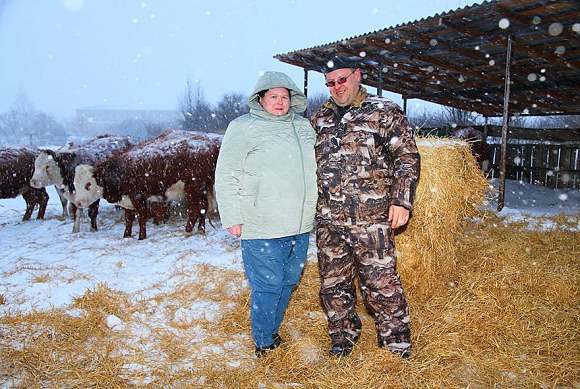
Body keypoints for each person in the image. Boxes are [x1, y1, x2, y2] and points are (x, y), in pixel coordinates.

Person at [310, 56, 421, 358]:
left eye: (342, 79)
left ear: (357, 75)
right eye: (331, 83)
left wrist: (402, 200)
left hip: (370, 221)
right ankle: (343, 336)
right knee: (334, 284)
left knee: (381, 284)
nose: (337, 87)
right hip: (329, 221)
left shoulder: (384, 111)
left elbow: (407, 158)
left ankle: (396, 343)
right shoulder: (319, 118)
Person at [215, 71, 318, 358]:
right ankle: (264, 342)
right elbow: (226, 174)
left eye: (284, 97)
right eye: (273, 96)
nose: (280, 102)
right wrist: (232, 216)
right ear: (260, 100)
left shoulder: (303, 126)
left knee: (288, 281)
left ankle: (271, 329)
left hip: (299, 223)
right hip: (261, 222)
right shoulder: (243, 127)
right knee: (268, 285)